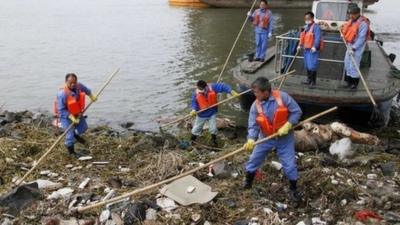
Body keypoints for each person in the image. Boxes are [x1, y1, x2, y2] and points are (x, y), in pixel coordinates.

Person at [242, 77, 303, 203]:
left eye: (256, 92)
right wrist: (251, 139)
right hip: (265, 138)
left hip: (284, 138)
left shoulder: (283, 97)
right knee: (254, 159)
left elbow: (297, 112)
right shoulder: (255, 106)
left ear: (265, 92)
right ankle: (248, 182)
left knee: (290, 165)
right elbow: (253, 125)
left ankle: (293, 189)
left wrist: (288, 124)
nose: (255, 95)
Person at [54, 73, 97, 158]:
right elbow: (61, 110)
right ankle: (72, 153)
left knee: (83, 127)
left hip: (76, 112)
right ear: (66, 82)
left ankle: (75, 134)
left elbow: (87, 90)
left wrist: (91, 96)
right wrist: (70, 116)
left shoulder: (79, 86)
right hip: (65, 115)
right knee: (69, 135)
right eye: (70, 83)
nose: (73, 84)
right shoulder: (62, 94)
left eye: (74, 82)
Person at [190, 80, 239, 146]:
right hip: (201, 115)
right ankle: (192, 141)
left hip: (212, 113)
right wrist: (193, 110)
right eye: (199, 88)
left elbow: (222, 86)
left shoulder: (212, 87)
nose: (200, 90)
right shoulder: (195, 93)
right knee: (196, 128)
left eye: (201, 89)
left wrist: (231, 91)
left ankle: (214, 141)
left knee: (213, 128)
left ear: (205, 86)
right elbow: (194, 103)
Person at [341, 6, 370, 89]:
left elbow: (362, 38)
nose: (351, 16)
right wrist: (343, 34)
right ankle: (348, 82)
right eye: (350, 14)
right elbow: (346, 29)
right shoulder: (351, 21)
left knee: (354, 65)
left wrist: (354, 48)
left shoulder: (363, 24)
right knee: (347, 63)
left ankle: (354, 84)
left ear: (358, 14)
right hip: (349, 45)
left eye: (353, 14)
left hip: (357, 47)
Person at [297, 11, 323, 88]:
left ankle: (313, 81)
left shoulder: (316, 27)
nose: (307, 19)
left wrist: (315, 46)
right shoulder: (306, 27)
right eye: (306, 18)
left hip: (312, 50)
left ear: (312, 18)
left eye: (308, 18)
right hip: (306, 49)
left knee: (312, 66)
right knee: (307, 65)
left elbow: (318, 38)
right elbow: (302, 37)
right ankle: (308, 80)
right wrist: (299, 45)